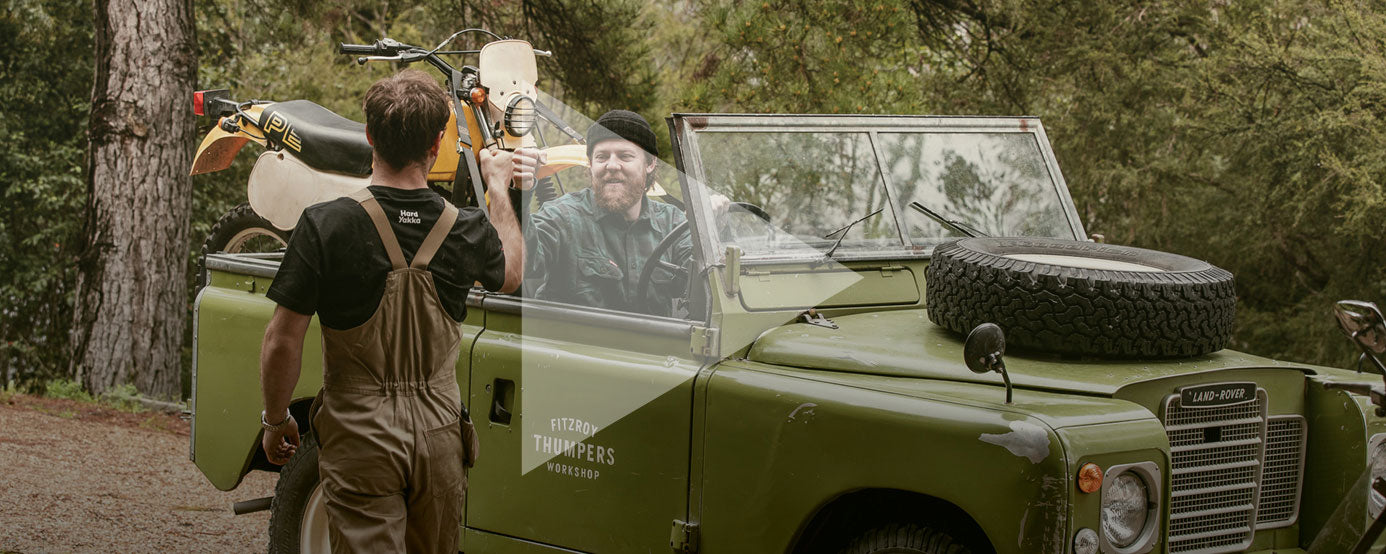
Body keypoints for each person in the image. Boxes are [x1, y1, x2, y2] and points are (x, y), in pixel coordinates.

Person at [256, 69, 541, 553]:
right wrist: (497, 187)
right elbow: (513, 272)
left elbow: (282, 339)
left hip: (359, 435)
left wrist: (276, 418)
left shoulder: (327, 225)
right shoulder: (466, 229)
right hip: (440, 435)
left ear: (370, 136)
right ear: (437, 142)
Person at [523, 109, 696, 317]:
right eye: (602, 157)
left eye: (625, 156)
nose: (612, 165)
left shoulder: (673, 223)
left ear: (650, 164)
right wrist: (519, 192)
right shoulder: (563, 216)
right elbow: (524, 264)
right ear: (591, 164)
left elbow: (704, 288)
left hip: (651, 346)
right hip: (577, 346)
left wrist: (710, 231)